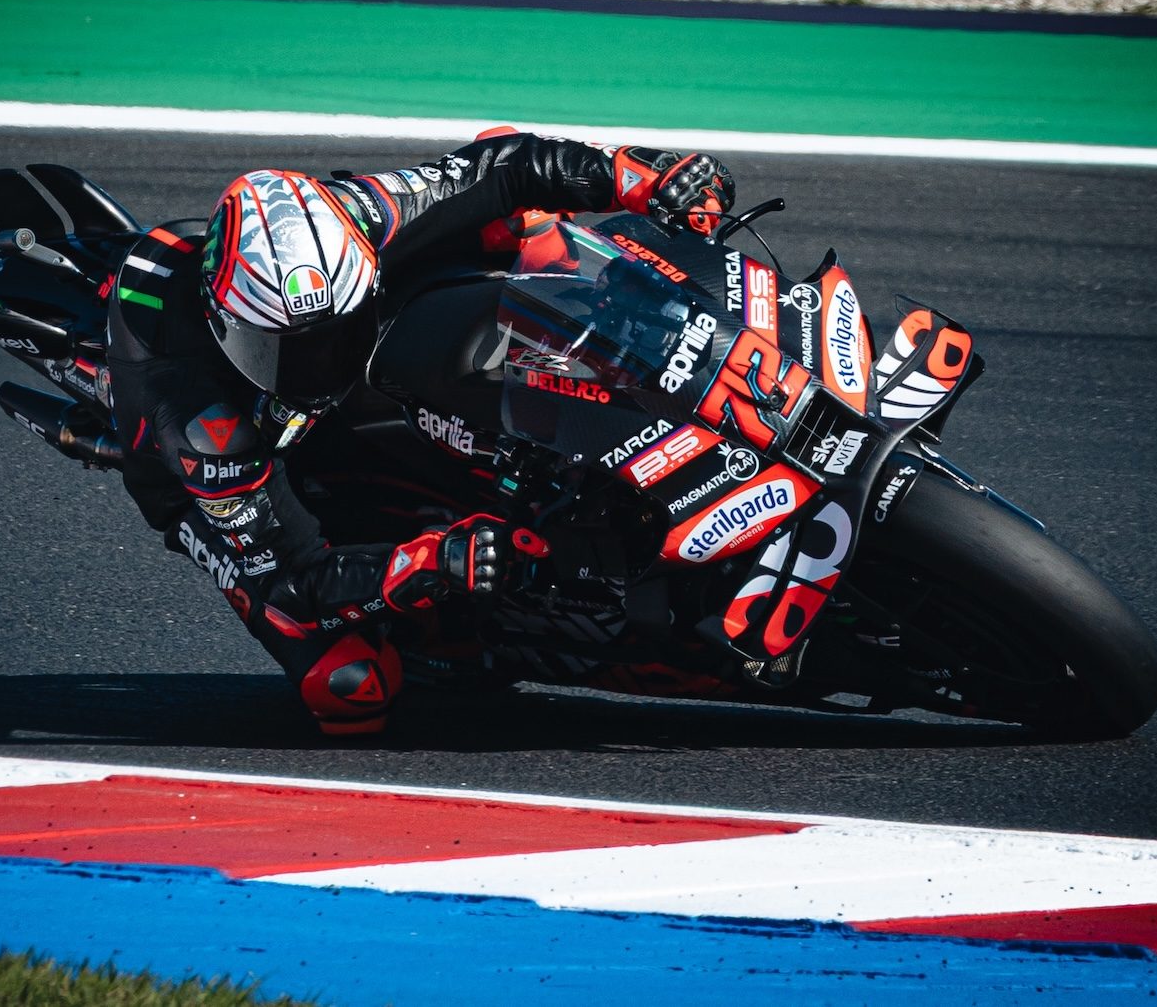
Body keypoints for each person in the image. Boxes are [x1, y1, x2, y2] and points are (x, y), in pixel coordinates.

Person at [105, 130, 735, 734]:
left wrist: (642, 176)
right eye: (285, 352)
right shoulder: (201, 426)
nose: (317, 367)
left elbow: (506, 165)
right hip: (209, 489)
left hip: (363, 330)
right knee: (350, 687)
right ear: (229, 325)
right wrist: (433, 560)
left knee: (519, 222)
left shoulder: (360, 213)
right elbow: (296, 582)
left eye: (331, 339)